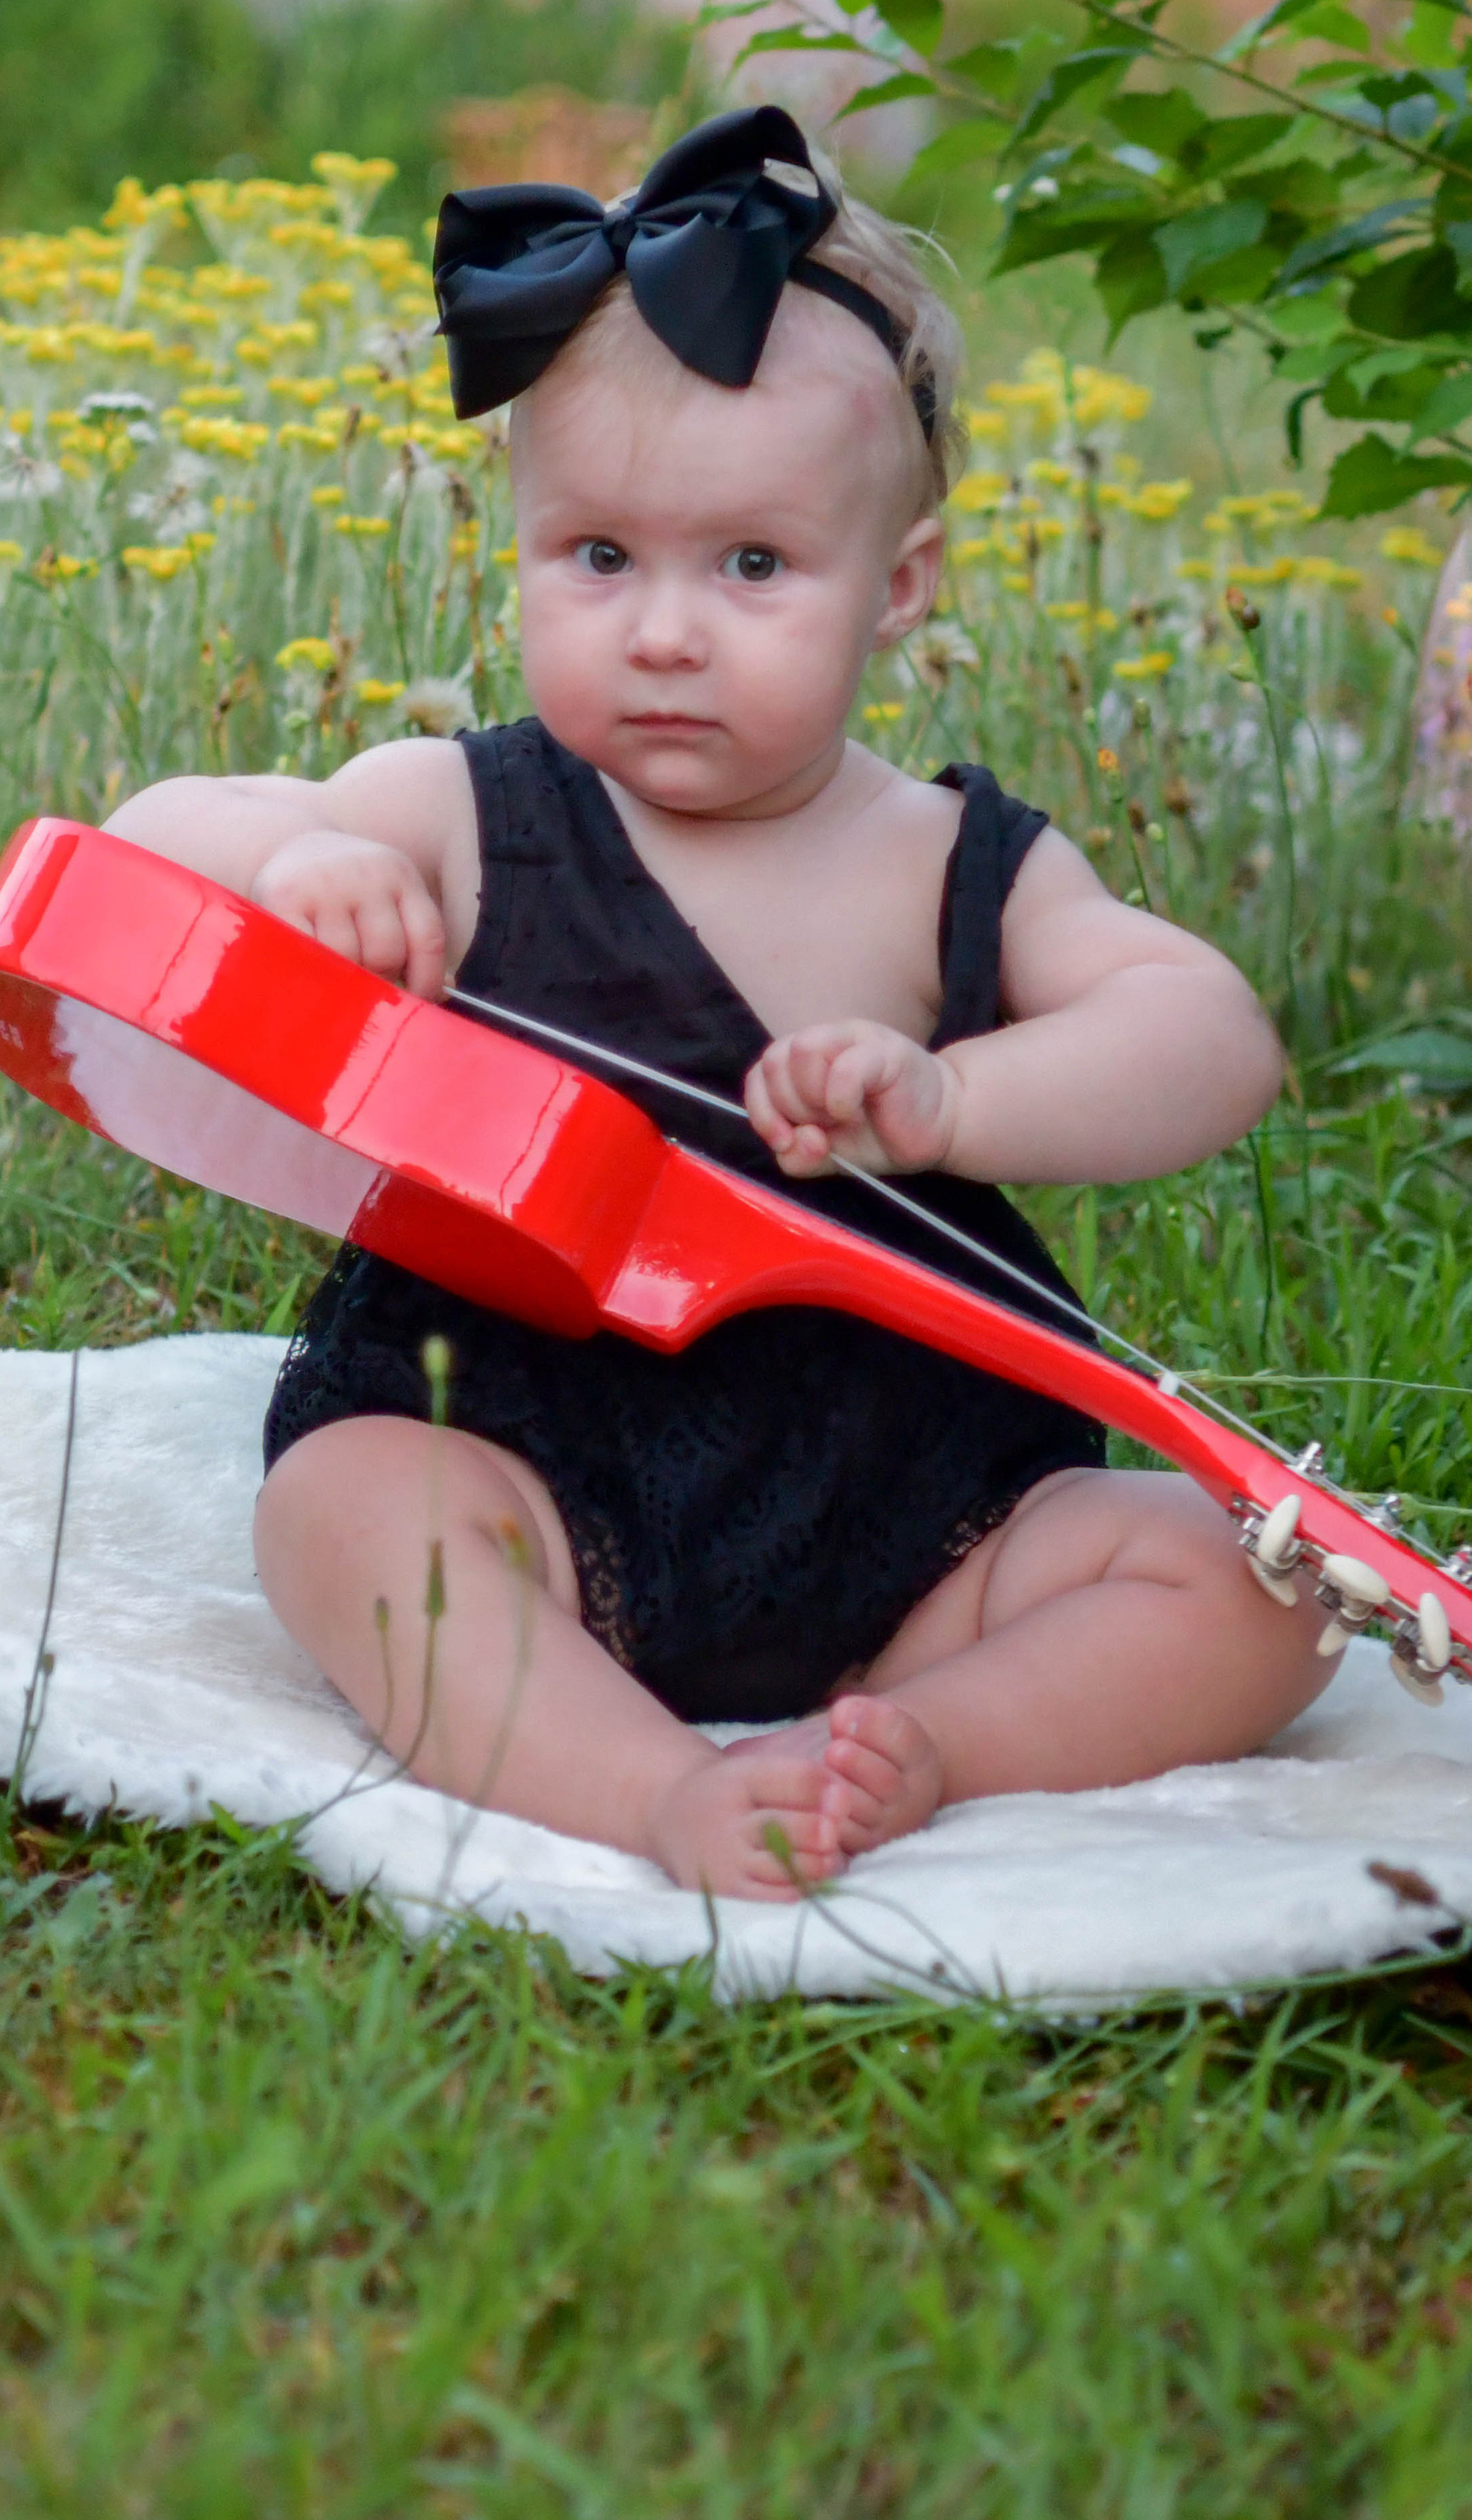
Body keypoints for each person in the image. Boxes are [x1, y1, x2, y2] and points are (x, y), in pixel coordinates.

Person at [107, 106, 1334, 1900]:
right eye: (598, 558)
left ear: (894, 589)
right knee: (348, 1513)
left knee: (1258, 1583)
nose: (664, 632)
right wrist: (298, 864)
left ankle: (933, 1743)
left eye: (749, 567)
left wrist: (953, 1100)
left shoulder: (941, 862)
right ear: (517, 545)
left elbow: (1207, 1035)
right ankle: (643, 1790)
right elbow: (143, 844)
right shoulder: (466, 815)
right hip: (521, 1440)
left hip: (917, 1504)